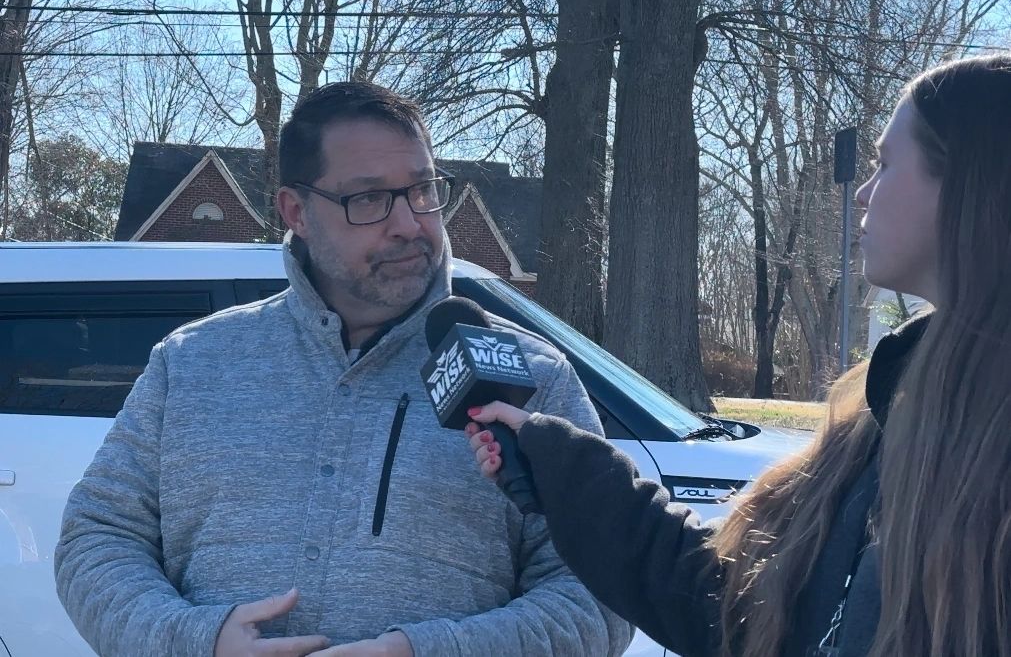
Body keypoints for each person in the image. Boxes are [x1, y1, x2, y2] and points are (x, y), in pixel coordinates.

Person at [54, 82, 632, 657]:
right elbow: (99, 539)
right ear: (296, 211)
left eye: (423, 190)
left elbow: (600, 593)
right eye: (370, 199)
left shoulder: (535, 377)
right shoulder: (192, 361)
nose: (409, 223)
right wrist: (196, 641)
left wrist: (424, 652)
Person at [465, 53, 1011, 657]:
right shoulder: (883, 412)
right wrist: (565, 468)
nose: (864, 196)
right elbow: (732, 605)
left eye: (885, 165)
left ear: (972, 185)